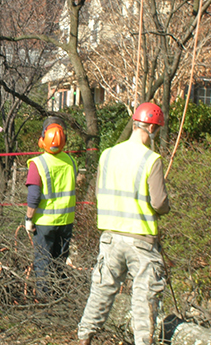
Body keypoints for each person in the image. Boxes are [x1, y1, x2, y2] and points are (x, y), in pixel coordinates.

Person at [77, 102, 171, 345]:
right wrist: (165, 206)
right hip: (141, 241)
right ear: (150, 127)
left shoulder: (108, 154)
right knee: (144, 300)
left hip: (110, 238)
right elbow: (159, 203)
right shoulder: (152, 160)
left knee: (101, 291)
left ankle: (84, 337)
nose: (156, 135)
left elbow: (99, 193)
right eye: (157, 130)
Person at [25, 117, 77, 297]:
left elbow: (34, 196)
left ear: (43, 138)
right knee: (60, 260)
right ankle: (59, 295)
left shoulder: (38, 164)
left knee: (43, 261)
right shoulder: (71, 161)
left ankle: (44, 298)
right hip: (66, 221)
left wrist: (28, 219)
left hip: (45, 223)